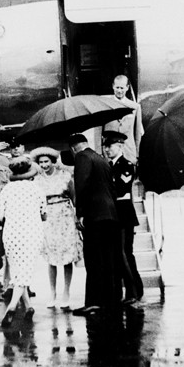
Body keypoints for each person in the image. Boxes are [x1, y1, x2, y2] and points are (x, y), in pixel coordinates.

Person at [68, 134, 122, 316]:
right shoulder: (101, 158)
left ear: (73, 148)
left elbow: (81, 186)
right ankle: (111, 300)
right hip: (110, 214)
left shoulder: (82, 157)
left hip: (94, 215)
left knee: (93, 260)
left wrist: (80, 213)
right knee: (109, 260)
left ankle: (94, 302)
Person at [0, 138, 36, 299]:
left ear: (24, 147)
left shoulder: (30, 164)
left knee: (25, 247)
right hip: (5, 206)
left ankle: (25, 285)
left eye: (19, 145)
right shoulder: (0, 161)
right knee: (8, 248)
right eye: (13, 146)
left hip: (24, 207)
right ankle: (9, 284)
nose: (16, 149)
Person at [0, 157, 47, 327]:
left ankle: (28, 307)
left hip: (11, 234)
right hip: (32, 233)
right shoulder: (36, 189)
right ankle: (11, 307)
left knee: (18, 270)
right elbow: (44, 213)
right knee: (25, 272)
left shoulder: (7, 190)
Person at [31, 146, 82, 309]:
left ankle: (66, 292)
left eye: (46, 161)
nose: (44, 165)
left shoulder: (65, 177)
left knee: (66, 257)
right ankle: (52, 293)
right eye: (41, 162)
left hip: (65, 217)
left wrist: (78, 216)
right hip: (47, 219)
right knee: (51, 258)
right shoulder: (37, 180)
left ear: (53, 162)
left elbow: (74, 198)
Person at [102, 131, 143, 304]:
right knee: (118, 254)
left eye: (110, 146)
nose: (106, 149)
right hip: (114, 212)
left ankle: (134, 291)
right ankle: (124, 290)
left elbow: (120, 187)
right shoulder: (109, 165)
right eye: (105, 146)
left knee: (125, 253)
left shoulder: (125, 165)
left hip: (123, 212)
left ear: (119, 146)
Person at [103, 75, 144, 165]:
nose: (119, 90)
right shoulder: (104, 105)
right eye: (117, 87)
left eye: (122, 88)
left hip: (128, 152)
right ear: (113, 86)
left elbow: (137, 134)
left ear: (127, 88)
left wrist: (137, 153)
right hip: (109, 152)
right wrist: (100, 152)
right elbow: (98, 131)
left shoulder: (135, 107)